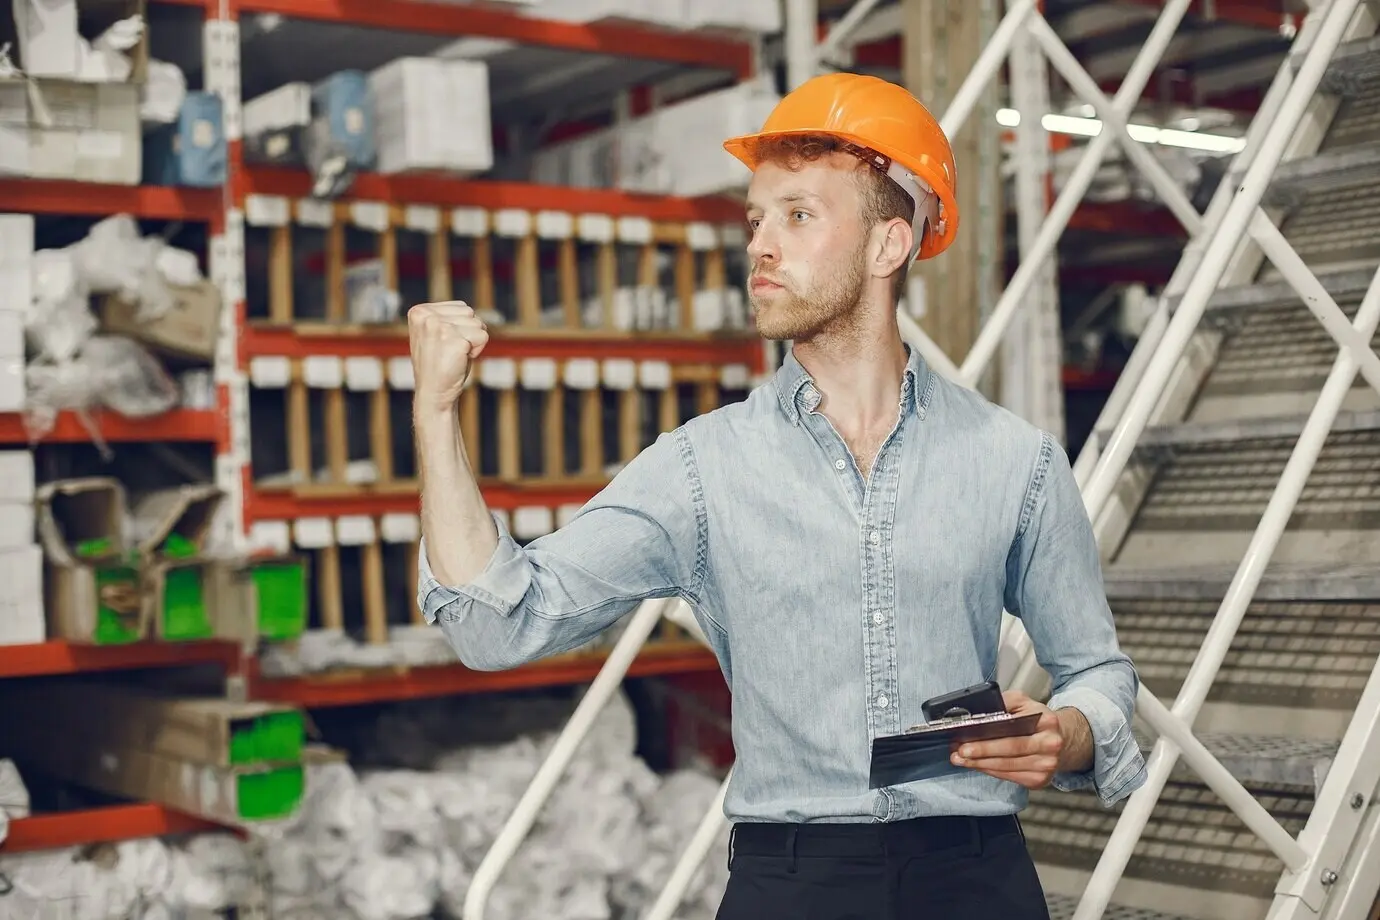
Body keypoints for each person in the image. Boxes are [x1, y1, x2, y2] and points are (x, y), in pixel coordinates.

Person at [408, 72, 1147, 920]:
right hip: (793, 883)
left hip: (975, 879)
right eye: (756, 219)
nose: (760, 244)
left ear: (887, 246)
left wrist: (1070, 732)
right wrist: (435, 413)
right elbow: (498, 621)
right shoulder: (701, 470)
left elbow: (1094, 669)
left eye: (798, 215)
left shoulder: (1015, 461)